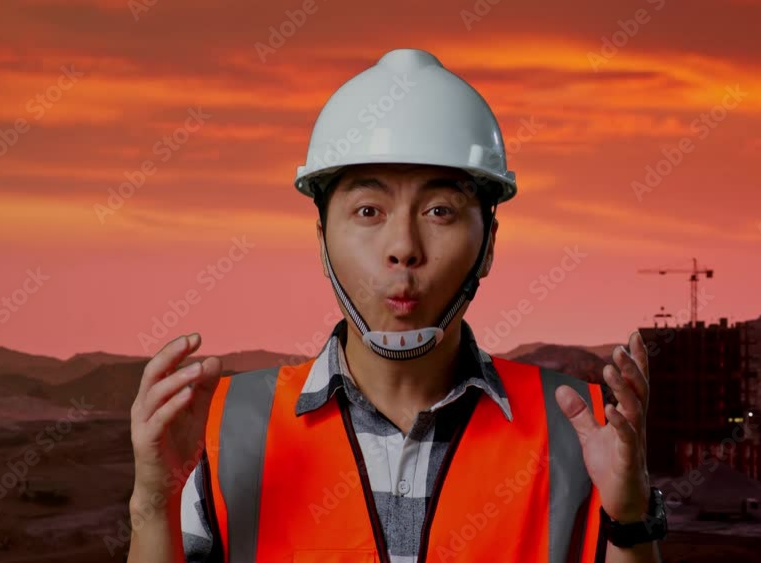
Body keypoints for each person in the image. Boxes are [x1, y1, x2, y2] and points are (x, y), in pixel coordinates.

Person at [127, 48, 666, 563]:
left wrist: (631, 518)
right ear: (322, 240)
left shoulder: (580, 429)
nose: (403, 247)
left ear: (489, 244)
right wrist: (153, 504)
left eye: (439, 210)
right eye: (368, 210)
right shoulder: (219, 427)